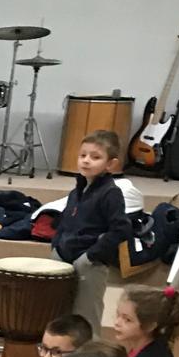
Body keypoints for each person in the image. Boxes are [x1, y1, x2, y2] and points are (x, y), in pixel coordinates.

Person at [52, 130, 131, 331]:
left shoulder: (111, 193)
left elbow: (121, 229)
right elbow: (65, 222)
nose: (86, 160)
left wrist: (90, 256)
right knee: (59, 314)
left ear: (110, 164)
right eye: (83, 155)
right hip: (64, 258)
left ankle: (90, 351)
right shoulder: (76, 192)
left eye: (95, 157)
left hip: (90, 264)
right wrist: (56, 246)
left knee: (85, 317)